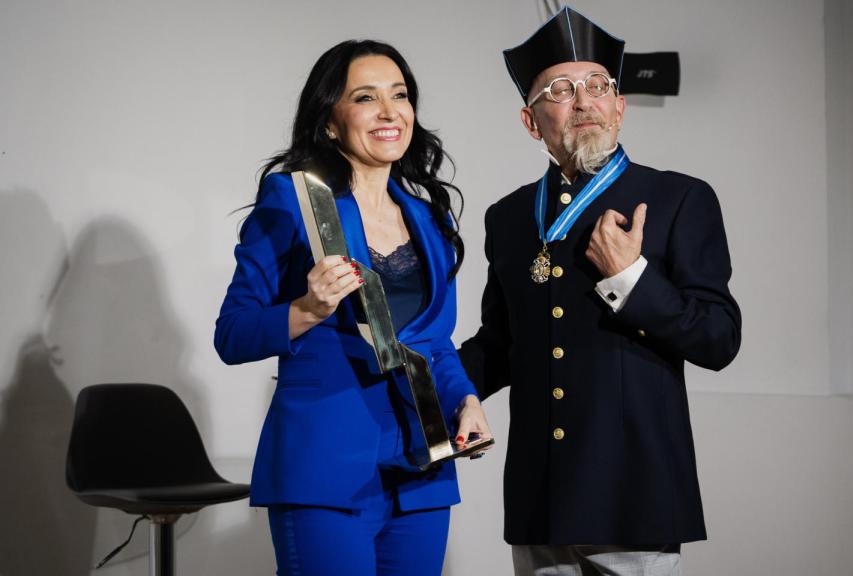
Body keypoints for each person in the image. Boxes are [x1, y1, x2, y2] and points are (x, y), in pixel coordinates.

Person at [459, 7, 741, 575]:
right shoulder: (509, 217)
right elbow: (500, 343)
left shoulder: (678, 198)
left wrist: (630, 278)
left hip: (636, 495)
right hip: (543, 499)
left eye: (597, 86)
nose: (583, 100)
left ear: (619, 105)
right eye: (560, 90)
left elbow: (719, 339)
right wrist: (433, 385)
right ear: (531, 121)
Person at [214, 39, 492, 576]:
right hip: (324, 468)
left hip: (422, 470)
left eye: (401, 95)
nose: (390, 112)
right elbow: (233, 334)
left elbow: (433, 343)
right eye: (366, 97)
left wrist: (467, 403)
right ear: (330, 123)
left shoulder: (431, 220)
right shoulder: (292, 203)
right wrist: (309, 308)